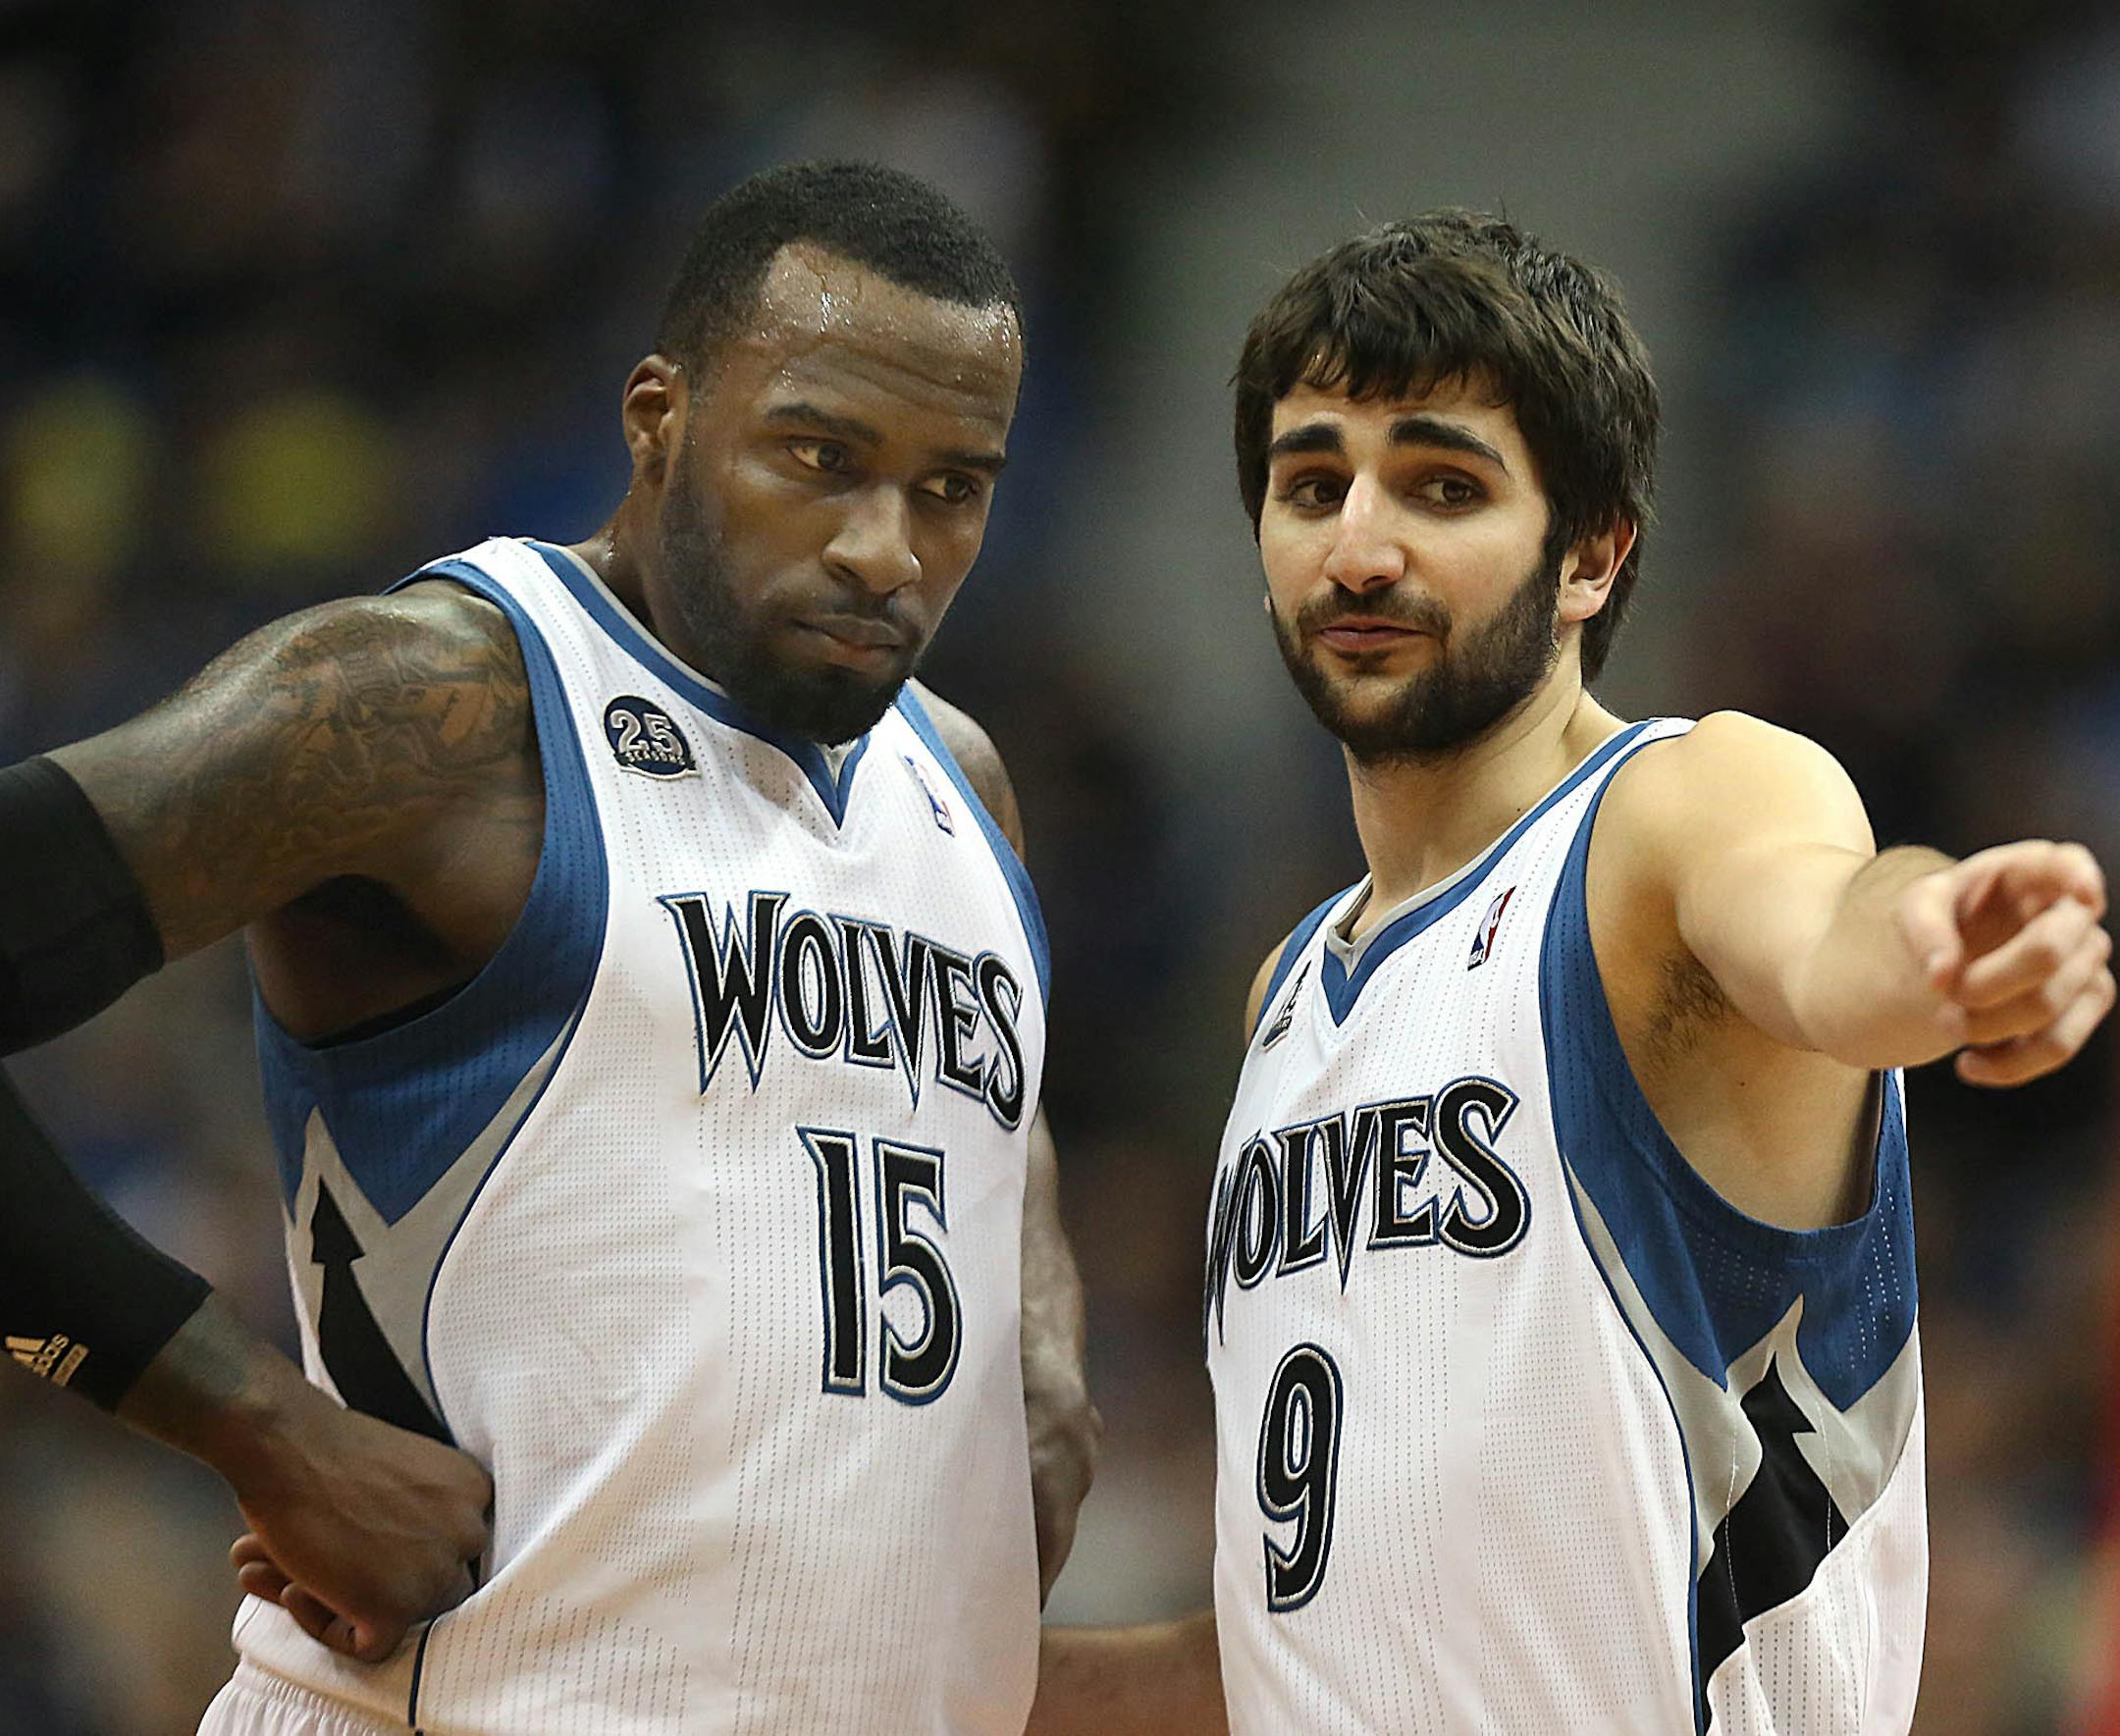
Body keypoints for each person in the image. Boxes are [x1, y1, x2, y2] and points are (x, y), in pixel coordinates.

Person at [1, 159, 1096, 1734]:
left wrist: (1045, 1344)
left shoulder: (963, 783)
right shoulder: (432, 709)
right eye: (821, 455)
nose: (886, 548)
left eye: (953, 486)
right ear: (657, 417)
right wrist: (255, 1422)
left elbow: (993, 1119)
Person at [1031, 212, 2112, 1733]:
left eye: (1442, 485)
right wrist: (900, 1673)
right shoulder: (1290, 990)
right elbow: (1293, 1661)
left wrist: (1937, 950)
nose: (1359, 542)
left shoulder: (1671, 814)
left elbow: (1824, 923)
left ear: (1593, 550)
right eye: (1311, 482)